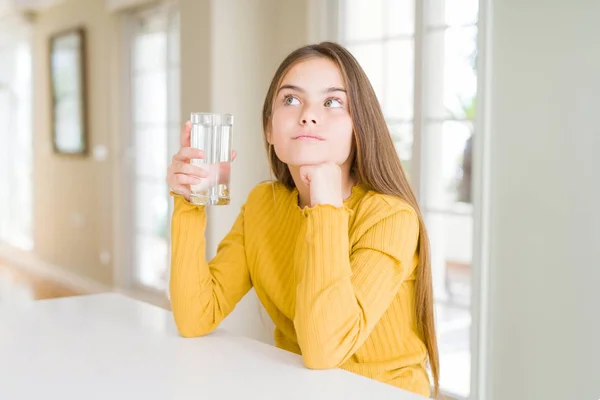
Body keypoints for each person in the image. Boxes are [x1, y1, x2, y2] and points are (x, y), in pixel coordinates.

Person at [166, 42, 439, 398]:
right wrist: (190, 201)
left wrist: (325, 207)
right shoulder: (263, 204)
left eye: (332, 102)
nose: (308, 115)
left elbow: (325, 349)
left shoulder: (391, 218)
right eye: (291, 100)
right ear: (269, 128)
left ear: (359, 128)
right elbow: (194, 316)